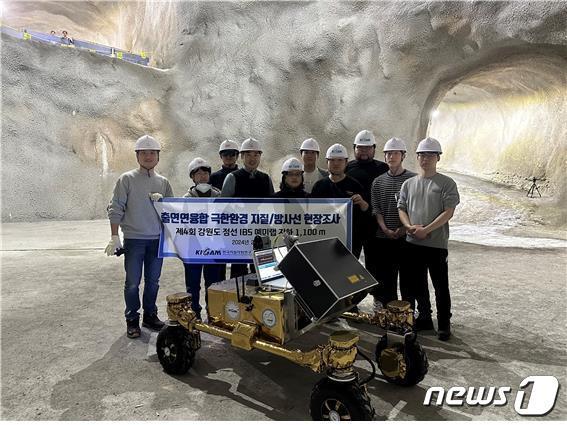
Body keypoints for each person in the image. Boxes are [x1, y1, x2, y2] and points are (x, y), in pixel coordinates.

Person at [106, 135, 174, 338]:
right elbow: (116, 207)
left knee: (153, 281)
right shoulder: (126, 179)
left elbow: (172, 212)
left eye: (152, 152)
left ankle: (150, 315)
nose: (148, 156)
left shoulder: (163, 182)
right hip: (134, 239)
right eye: (143, 152)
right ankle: (132, 319)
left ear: (158, 157)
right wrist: (114, 236)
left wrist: (163, 204)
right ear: (137, 156)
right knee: (133, 282)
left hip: (156, 241)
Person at [397, 137, 460, 341]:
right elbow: (402, 208)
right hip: (412, 243)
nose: (425, 158)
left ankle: (443, 324)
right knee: (413, 285)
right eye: (422, 154)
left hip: (436, 244)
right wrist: (409, 227)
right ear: (417, 157)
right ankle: (417, 320)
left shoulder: (446, 183)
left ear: (438, 158)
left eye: (430, 154)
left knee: (441, 285)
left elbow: (448, 212)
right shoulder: (409, 184)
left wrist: (427, 229)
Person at [371, 137, 417, 309]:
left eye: (395, 153)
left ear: (403, 155)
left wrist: (403, 230)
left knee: (407, 279)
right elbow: (376, 209)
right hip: (383, 238)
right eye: (388, 153)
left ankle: (407, 312)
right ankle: (390, 314)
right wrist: (385, 229)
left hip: (407, 238)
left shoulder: (413, 180)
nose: (391, 156)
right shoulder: (378, 182)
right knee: (386, 278)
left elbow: (415, 210)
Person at [345, 130, 389, 308]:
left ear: (374, 149)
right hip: (352, 228)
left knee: (376, 267)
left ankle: (378, 300)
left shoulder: (383, 169)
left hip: (374, 228)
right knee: (349, 267)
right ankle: (350, 302)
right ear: (354, 148)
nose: (364, 151)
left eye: (367, 148)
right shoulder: (347, 168)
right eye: (360, 148)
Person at [221, 137, 275, 277]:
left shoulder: (265, 179)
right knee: (238, 276)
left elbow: (272, 206)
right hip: (240, 235)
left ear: (260, 157)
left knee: (264, 273)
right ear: (242, 156)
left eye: (256, 155)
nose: (252, 158)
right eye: (248, 155)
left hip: (261, 234)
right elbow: (223, 208)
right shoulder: (233, 178)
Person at [311, 143, 369, 254]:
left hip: (350, 242)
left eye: (340, 160)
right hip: (324, 240)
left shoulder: (355, 185)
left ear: (346, 162)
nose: (336, 163)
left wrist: (362, 203)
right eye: (332, 160)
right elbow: (311, 214)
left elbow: (366, 211)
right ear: (326, 162)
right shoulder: (319, 186)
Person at [183, 157, 223, 319]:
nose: (202, 176)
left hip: (213, 246)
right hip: (193, 247)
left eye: (205, 172)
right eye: (197, 173)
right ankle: (194, 313)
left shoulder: (219, 196)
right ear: (192, 177)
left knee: (212, 283)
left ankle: (213, 313)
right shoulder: (186, 198)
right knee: (192, 284)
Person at [209, 139, 240, 281]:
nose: (229, 157)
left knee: (239, 266)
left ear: (237, 156)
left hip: (239, 226)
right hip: (219, 225)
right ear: (221, 156)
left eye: (232, 154)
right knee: (219, 265)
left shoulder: (243, 175)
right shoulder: (213, 177)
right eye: (225, 154)